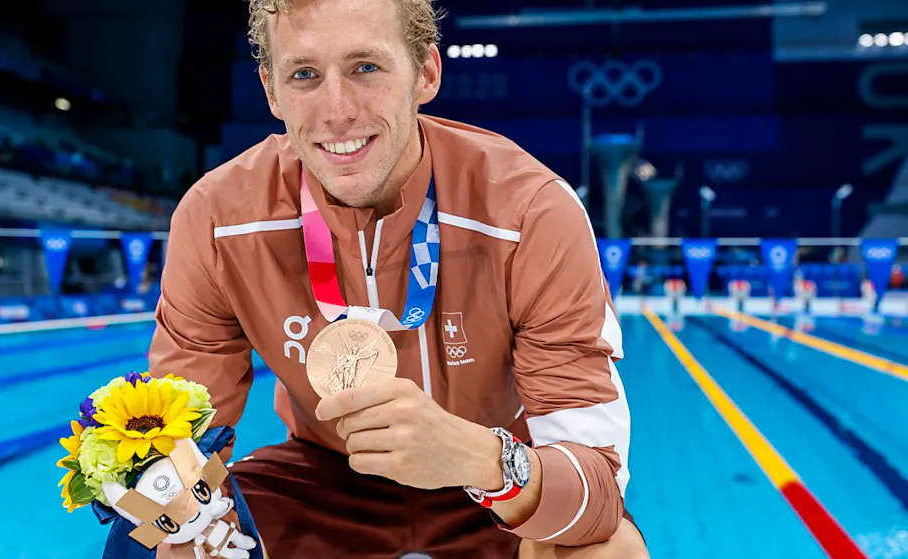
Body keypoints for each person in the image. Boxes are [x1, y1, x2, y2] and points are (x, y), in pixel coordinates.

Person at [150, 0, 648, 557]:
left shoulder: (529, 213)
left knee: (608, 552)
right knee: (179, 547)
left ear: (426, 73)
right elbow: (179, 444)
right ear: (272, 91)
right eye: (305, 75)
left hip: (497, 482)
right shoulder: (220, 219)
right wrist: (168, 511)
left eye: (366, 67)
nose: (337, 110)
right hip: (323, 482)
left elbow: (597, 489)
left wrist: (484, 460)